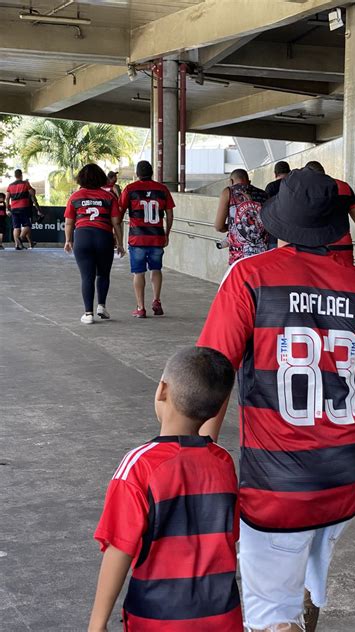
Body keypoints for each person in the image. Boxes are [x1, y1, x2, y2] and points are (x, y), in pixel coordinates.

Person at [198, 168, 355, 632]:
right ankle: (306, 600)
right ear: (335, 227)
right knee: (312, 559)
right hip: (347, 476)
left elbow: (213, 373)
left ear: (278, 222)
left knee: (270, 614)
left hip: (277, 487)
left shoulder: (249, 277)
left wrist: (204, 453)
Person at [88, 346, 242, 632]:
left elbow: (119, 548)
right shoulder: (223, 462)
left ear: (162, 390)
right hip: (222, 615)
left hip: (158, 618)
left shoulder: (139, 465)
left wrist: (97, 624)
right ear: (218, 407)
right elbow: (229, 537)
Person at [64, 164, 125, 325]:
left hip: (82, 237)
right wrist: (120, 243)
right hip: (104, 237)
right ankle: (101, 307)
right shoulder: (109, 197)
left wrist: (68, 240)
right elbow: (116, 223)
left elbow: (69, 223)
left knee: (87, 276)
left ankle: (88, 313)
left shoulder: (75, 197)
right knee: (103, 274)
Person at [119, 160, 174, 318]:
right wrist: (167, 233)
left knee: (139, 273)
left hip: (137, 239)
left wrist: (118, 235)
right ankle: (156, 300)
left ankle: (140, 307)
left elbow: (120, 213)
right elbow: (170, 214)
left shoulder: (130, 189)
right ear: (152, 173)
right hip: (157, 237)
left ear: (137, 173)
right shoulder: (162, 189)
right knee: (156, 269)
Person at [306, 161, 355, 264]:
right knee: (345, 279)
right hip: (344, 246)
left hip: (318, 248)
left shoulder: (307, 190)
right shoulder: (345, 187)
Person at [214, 168, 268, 265]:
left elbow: (218, 226)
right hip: (261, 253)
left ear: (230, 181)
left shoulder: (228, 192)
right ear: (249, 181)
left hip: (239, 255)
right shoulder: (263, 194)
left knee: (239, 279)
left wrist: (232, 226)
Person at [5, 169, 42, 250]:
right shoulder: (25, 184)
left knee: (16, 227)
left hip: (14, 208)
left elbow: (7, 198)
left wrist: (7, 209)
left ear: (15, 176)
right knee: (27, 225)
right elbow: (32, 194)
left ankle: (17, 245)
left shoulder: (10, 185)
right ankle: (21, 238)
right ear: (21, 175)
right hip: (23, 207)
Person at [265, 161, 291, 249]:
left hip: (274, 233)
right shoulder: (294, 185)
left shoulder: (271, 187)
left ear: (275, 174)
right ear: (289, 172)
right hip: (293, 234)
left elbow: (266, 210)